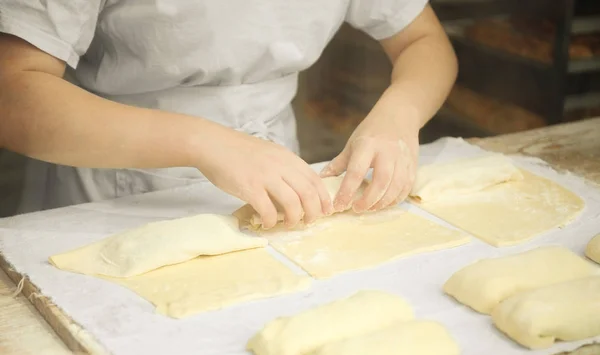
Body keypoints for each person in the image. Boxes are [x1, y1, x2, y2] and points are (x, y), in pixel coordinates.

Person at [0, 1, 457, 228]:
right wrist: (204, 142)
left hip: (279, 178)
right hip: (110, 186)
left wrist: (398, 115)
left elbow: (423, 41)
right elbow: (12, 91)